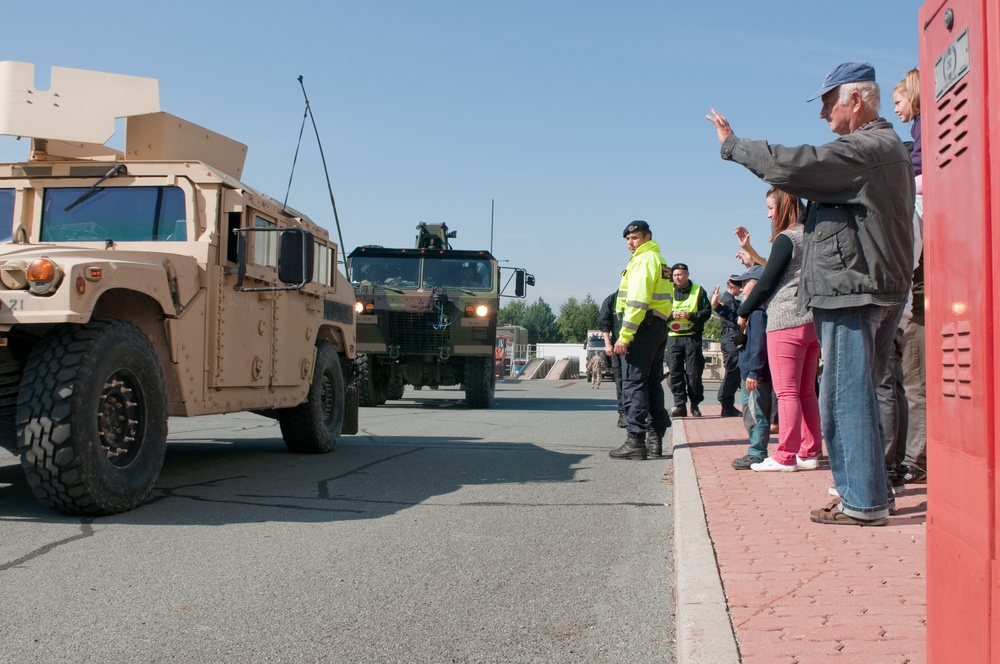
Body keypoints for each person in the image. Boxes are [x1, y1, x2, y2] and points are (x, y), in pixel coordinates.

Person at [707, 61, 914, 526]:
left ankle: (861, 501)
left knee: (844, 397)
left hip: (853, 290)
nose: (822, 114)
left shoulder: (864, 149)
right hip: (877, 286)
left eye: (827, 103)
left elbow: (798, 166)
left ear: (854, 100)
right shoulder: (888, 148)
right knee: (862, 393)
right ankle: (873, 491)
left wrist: (734, 146)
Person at [734, 187, 822, 473]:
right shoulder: (811, 235)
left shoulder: (786, 238)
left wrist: (744, 310)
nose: (768, 215)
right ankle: (810, 452)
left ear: (784, 206)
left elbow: (767, 281)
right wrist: (751, 251)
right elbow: (779, 269)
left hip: (785, 320)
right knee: (807, 392)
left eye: (771, 208)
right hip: (811, 321)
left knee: (786, 393)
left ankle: (785, 456)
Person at [609, 220, 673, 460]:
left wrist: (625, 336)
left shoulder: (643, 260)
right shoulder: (660, 261)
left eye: (635, 238)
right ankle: (655, 440)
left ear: (647, 237)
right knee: (652, 383)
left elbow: (637, 301)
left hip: (641, 329)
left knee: (634, 383)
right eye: (628, 239)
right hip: (657, 327)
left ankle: (635, 440)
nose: (630, 243)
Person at [893, 67, 927, 486]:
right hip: (915, 303)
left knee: (914, 384)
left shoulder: (915, 203)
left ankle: (916, 458)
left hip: (917, 307)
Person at [714, 266, 772, 469]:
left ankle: (757, 453)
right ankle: (756, 450)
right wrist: (718, 308)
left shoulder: (758, 313)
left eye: (746, 284)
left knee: (755, 414)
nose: (742, 288)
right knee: (750, 413)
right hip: (748, 372)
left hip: (754, 375)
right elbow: (736, 319)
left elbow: (759, 345)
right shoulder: (752, 310)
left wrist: (754, 371)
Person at [665, 263, 711, 418]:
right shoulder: (668, 290)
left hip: (692, 337)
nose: (677, 278)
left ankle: (695, 404)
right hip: (673, 338)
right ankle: (679, 405)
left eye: (680, 274)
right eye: (675, 275)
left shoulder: (698, 290)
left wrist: (691, 315)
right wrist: (672, 316)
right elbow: (658, 311)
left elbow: (706, 312)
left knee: (694, 373)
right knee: (675, 372)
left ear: (687, 274)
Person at [712, 279, 743, 417]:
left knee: (732, 370)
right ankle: (727, 403)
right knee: (734, 370)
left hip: (730, 337)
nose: (741, 290)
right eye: (740, 287)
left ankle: (726, 402)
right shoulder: (729, 301)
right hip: (732, 337)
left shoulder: (729, 300)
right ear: (734, 286)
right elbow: (734, 318)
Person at [598, 291, 627, 427]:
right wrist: (607, 344)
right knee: (620, 381)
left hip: (637, 347)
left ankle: (637, 412)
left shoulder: (639, 295)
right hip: (617, 348)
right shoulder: (611, 300)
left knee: (636, 381)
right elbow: (604, 323)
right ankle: (623, 413)